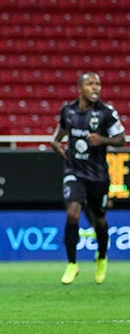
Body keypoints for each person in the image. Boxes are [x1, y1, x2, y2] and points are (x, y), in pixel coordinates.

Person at [51, 72, 125, 285]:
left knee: (99, 219)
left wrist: (101, 139)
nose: (95, 88)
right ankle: (72, 264)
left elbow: (121, 139)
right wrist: (64, 154)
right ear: (80, 88)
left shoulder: (106, 112)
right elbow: (57, 140)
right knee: (72, 213)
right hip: (74, 172)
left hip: (98, 175)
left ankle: (101, 257)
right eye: (90, 84)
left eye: (98, 84)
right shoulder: (69, 111)